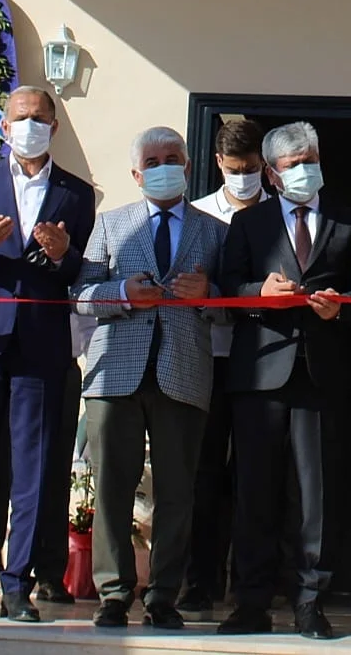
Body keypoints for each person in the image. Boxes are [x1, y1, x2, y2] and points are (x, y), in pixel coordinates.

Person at [0, 86, 96, 623]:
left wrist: (62, 256)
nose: (29, 124)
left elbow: (81, 272)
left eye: (39, 117)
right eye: (19, 117)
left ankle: (17, 586)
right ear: (4, 126)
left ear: (53, 126)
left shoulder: (76, 194)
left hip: (41, 348)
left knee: (34, 472)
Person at [74, 126, 226, 630]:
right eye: (153, 160)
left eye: (173, 157)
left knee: (177, 491)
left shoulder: (214, 230)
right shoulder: (110, 224)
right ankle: (114, 593)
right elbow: (81, 295)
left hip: (182, 371)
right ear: (137, 174)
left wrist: (210, 292)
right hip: (115, 370)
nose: (164, 166)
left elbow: (231, 307)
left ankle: (164, 595)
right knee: (112, 487)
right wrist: (121, 293)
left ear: (187, 166)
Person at [218, 122, 351, 640]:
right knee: (255, 491)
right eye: (292, 164)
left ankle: (309, 601)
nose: (304, 170)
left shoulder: (348, 218)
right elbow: (227, 287)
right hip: (260, 372)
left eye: (310, 160)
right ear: (273, 175)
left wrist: (339, 309)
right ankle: (250, 601)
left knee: (314, 493)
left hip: (322, 373)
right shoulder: (248, 223)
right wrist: (260, 291)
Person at [182, 117, 267, 615]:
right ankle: (199, 580)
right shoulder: (198, 217)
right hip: (207, 358)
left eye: (252, 168)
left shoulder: (281, 214)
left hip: (261, 362)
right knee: (204, 475)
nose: (243, 177)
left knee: (255, 477)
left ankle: (253, 582)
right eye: (235, 169)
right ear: (218, 164)